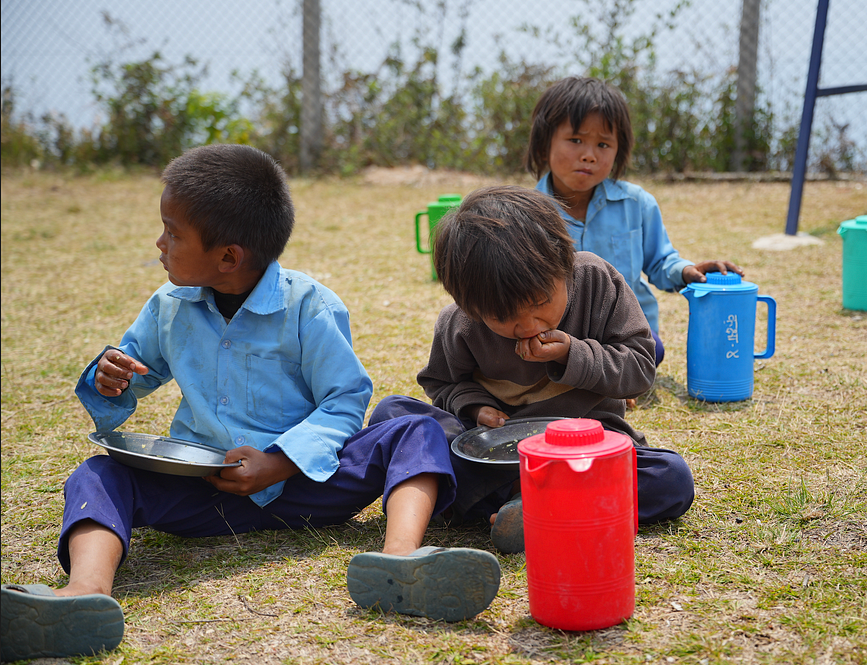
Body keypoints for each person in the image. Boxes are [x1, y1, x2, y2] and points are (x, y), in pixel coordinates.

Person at [0, 145, 499, 662]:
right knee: (97, 475)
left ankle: (400, 559)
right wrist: (110, 378)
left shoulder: (309, 307)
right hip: (204, 488)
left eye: (173, 232)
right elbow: (131, 374)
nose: (160, 242)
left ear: (229, 256)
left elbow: (345, 398)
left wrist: (280, 462)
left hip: (307, 484)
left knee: (412, 427)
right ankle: (85, 594)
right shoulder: (168, 307)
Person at [370, 185, 695, 555]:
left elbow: (639, 368)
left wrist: (572, 354)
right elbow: (442, 384)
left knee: (670, 478)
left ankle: (516, 506)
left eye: (541, 303)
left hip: (582, 453)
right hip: (495, 459)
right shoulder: (459, 324)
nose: (527, 326)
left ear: (564, 262)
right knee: (392, 415)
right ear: (469, 305)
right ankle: (530, 503)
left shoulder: (596, 282)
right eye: (503, 318)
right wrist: (474, 406)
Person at [525, 76, 743, 369]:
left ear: (618, 152)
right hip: (557, 336)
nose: (589, 155)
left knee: (654, 350)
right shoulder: (524, 213)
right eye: (576, 140)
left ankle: (609, 378)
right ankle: (595, 378)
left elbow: (660, 262)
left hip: (625, 335)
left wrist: (687, 271)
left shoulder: (637, 204)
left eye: (603, 144)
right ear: (544, 145)